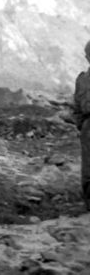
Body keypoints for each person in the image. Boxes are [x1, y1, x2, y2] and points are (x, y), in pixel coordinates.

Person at [74, 39, 90, 213]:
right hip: (87, 126)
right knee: (88, 169)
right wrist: (82, 124)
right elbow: (77, 105)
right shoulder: (82, 79)